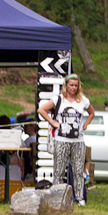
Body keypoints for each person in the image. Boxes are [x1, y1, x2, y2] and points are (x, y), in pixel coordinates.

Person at [38, 73, 94, 206]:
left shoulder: (83, 100)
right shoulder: (58, 99)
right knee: (59, 170)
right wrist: (52, 122)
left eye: (76, 85)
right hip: (61, 139)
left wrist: (86, 124)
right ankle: (56, 197)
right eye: (71, 85)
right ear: (66, 85)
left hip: (77, 141)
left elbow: (91, 112)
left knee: (78, 170)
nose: (73, 88)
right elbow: (41, 110)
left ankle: (80, 198)